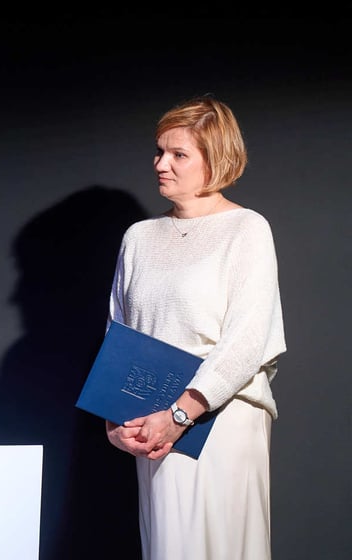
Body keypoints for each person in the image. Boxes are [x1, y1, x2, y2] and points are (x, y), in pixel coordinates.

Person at [104, 95, 286, 559]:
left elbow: (247, 340)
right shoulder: (138, 237)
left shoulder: (246, 229)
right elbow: (118, 335)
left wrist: (180, 415)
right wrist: (115, 422)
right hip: (152, 425)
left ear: (216, 159)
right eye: (159, 151)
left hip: (220, 419)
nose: (161, 164)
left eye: (178, 154)